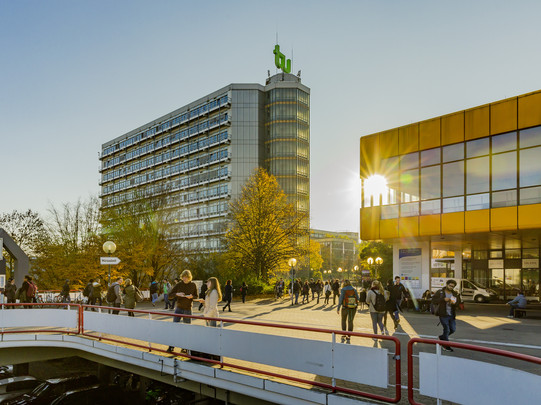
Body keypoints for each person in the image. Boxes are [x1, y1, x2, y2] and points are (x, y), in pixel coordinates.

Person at [167, 270, 198, 353]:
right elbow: (170, 295)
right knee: (175, 327)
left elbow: (196, 296)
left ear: (189, 277)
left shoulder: (193, 285)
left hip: (188, 309)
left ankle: (185, 347)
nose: (185, 279)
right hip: (179, 307)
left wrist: (191, 297)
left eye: (186, 277)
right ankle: (171, 346)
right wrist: (177, 294)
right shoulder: (179, 284)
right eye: (183, 277)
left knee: (187, 329)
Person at [432, 279, 461, 352]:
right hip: (443, 314)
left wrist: (454, 303)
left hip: (451, 314)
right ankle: (446, 346)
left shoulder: (455, 293)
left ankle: (441, 337)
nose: (451, 287)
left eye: (452, 286)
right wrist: (443, 299)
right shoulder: (440, 292)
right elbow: (434, 300)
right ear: (447, 284)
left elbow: (458, 303)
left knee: (453, 329)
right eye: (450, 285)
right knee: (447, 329)